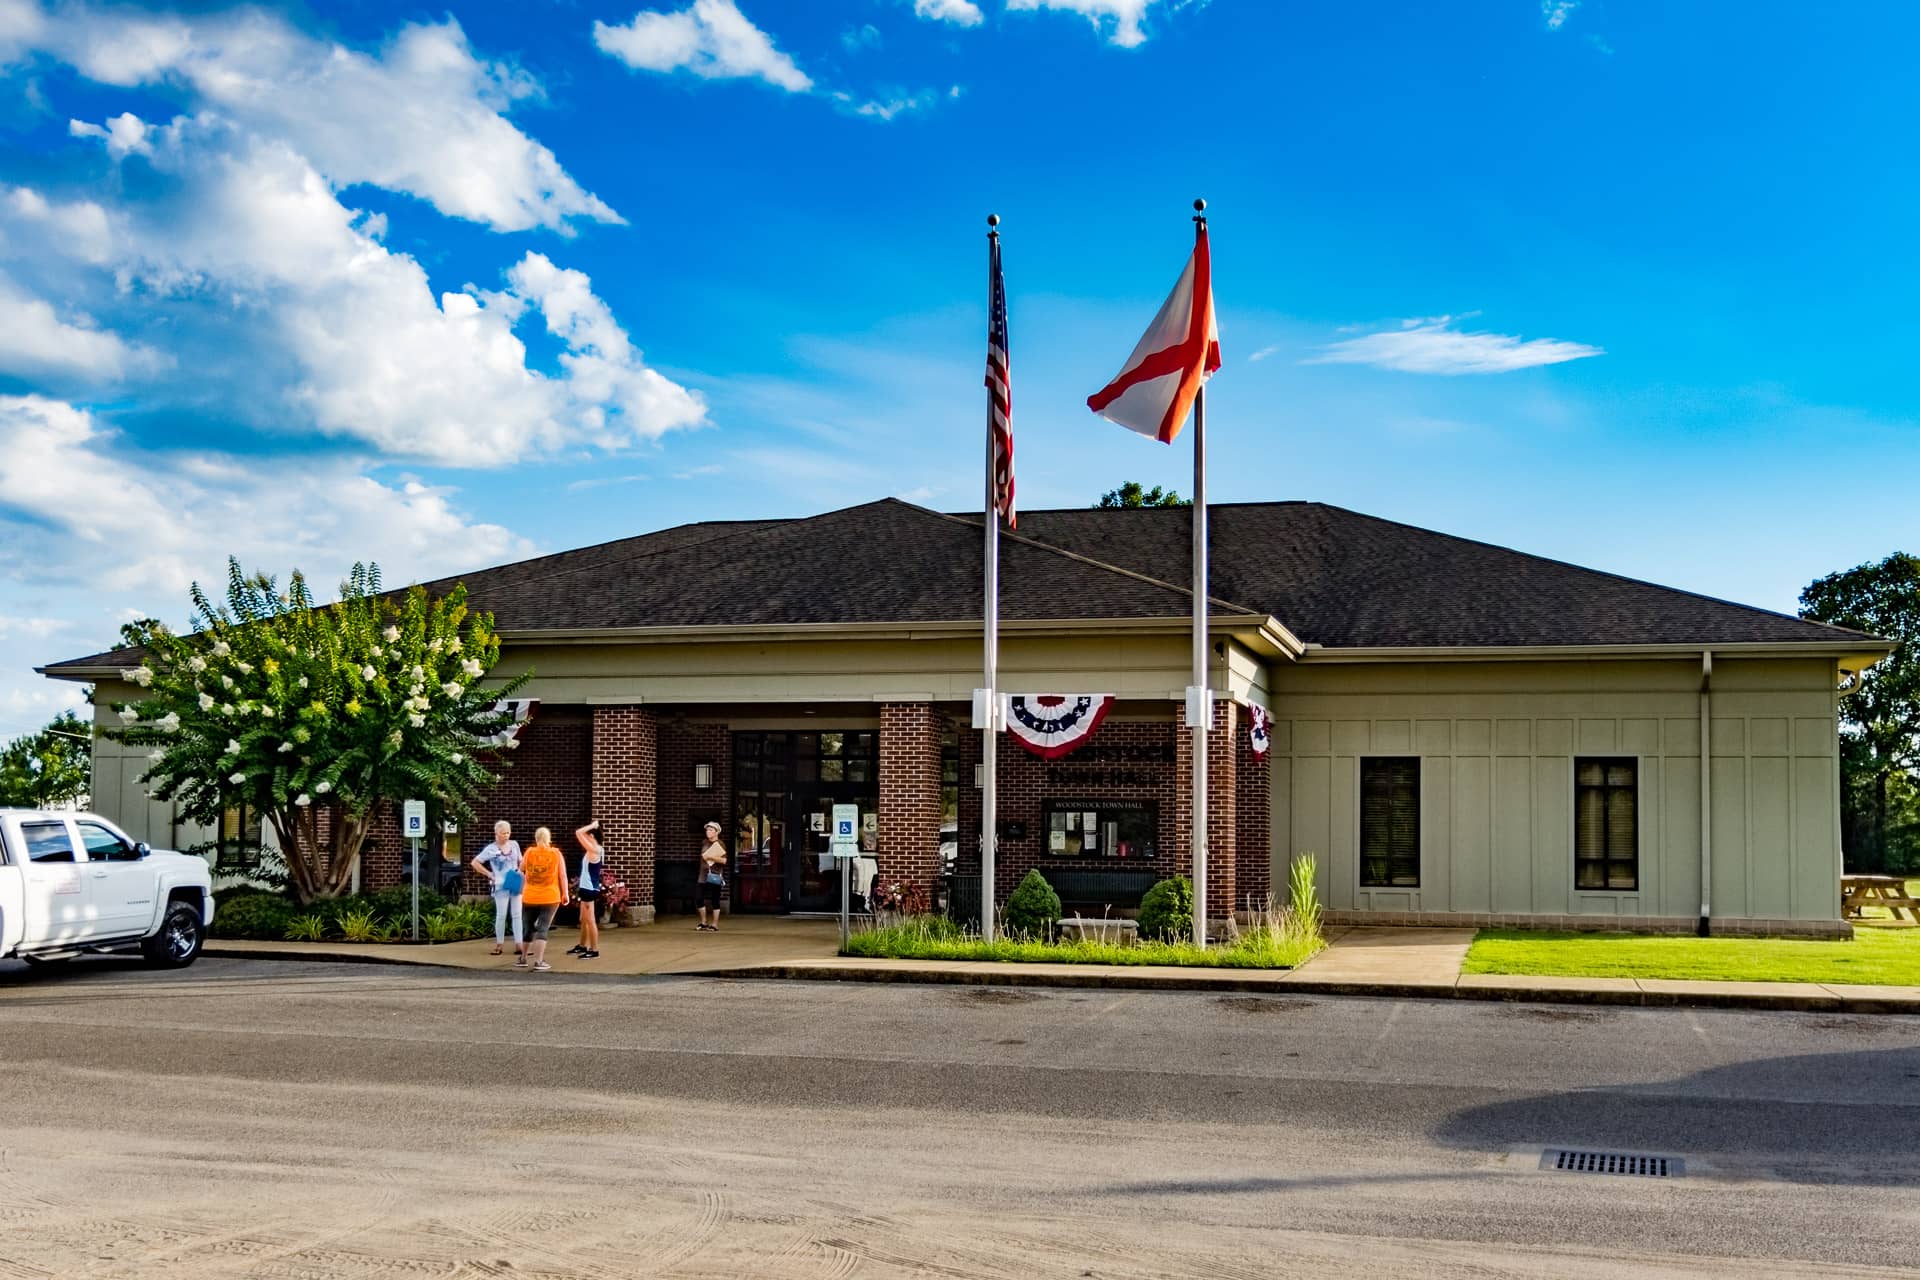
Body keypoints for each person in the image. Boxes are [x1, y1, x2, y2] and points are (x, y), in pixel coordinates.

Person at [519, 827, 569, 971]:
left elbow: (521, 868)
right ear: (549, 839)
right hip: (550, 896)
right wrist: (565, 893)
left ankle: (523, 958)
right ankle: (539, 961)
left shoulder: (529, 852)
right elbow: (563, 875)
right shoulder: (556, 854)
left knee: (528, 928)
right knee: (543, 928)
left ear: (536, 839)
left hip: (529, 896)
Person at [471, 821, 523, 959]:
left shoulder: (514, 845)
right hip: (500, 884)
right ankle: (499, 944)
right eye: (503, 833)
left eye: (508, 833)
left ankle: (519, 944)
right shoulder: (491, 849)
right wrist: (489, 874)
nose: (506, 836)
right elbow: (475, 862)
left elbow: (521, 861)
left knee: (517, 914)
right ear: (496, 833)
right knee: (501, 915)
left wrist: (521, 872)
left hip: (514, 881)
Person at [571, 820, 605, 960]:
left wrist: (592, 825)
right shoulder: (596, 848)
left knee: (590, 920)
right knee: (583, 919)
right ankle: (582, 945)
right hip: (587, 887)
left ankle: (594, 949)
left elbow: (578, 832)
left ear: (592, 835)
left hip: (589, 889)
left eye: (589, 835)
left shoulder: (594, 850)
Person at [697, 820, 727, 932]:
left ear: (717, 832)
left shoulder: (720, 844)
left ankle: (715, 924)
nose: (708, 832)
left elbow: (724, 861)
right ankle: (703, 922)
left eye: (711, 830)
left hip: (714, 876)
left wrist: (711, 857)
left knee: (715, 899)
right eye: (707, 830)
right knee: (699, 898)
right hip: (703, 875)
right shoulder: (704, 842)